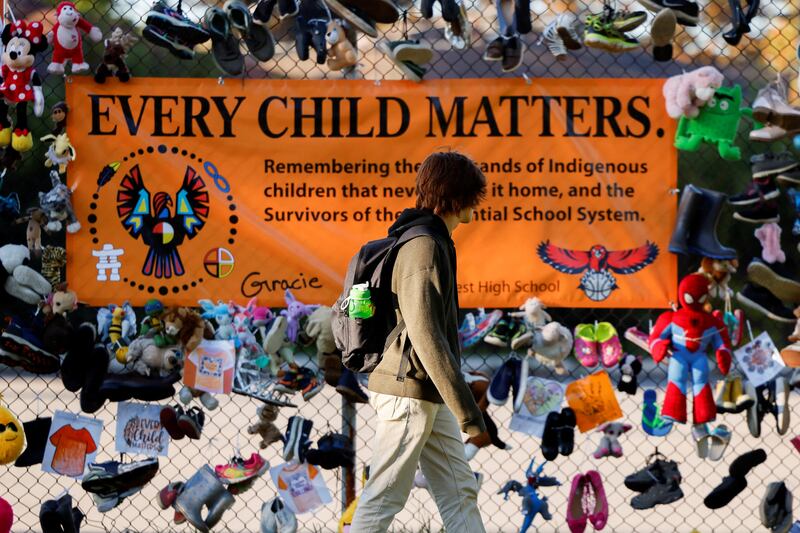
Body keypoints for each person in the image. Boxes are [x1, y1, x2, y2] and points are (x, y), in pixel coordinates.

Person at [350, 151, 488, 533]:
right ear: (457, 197)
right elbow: (428, 338)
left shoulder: (427, 240)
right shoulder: (424, 246)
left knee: (460, 490)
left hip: (423, 391)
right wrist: (469, 415)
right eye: (473, 196)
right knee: (385, 496)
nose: (477, 204)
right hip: (408, 392)